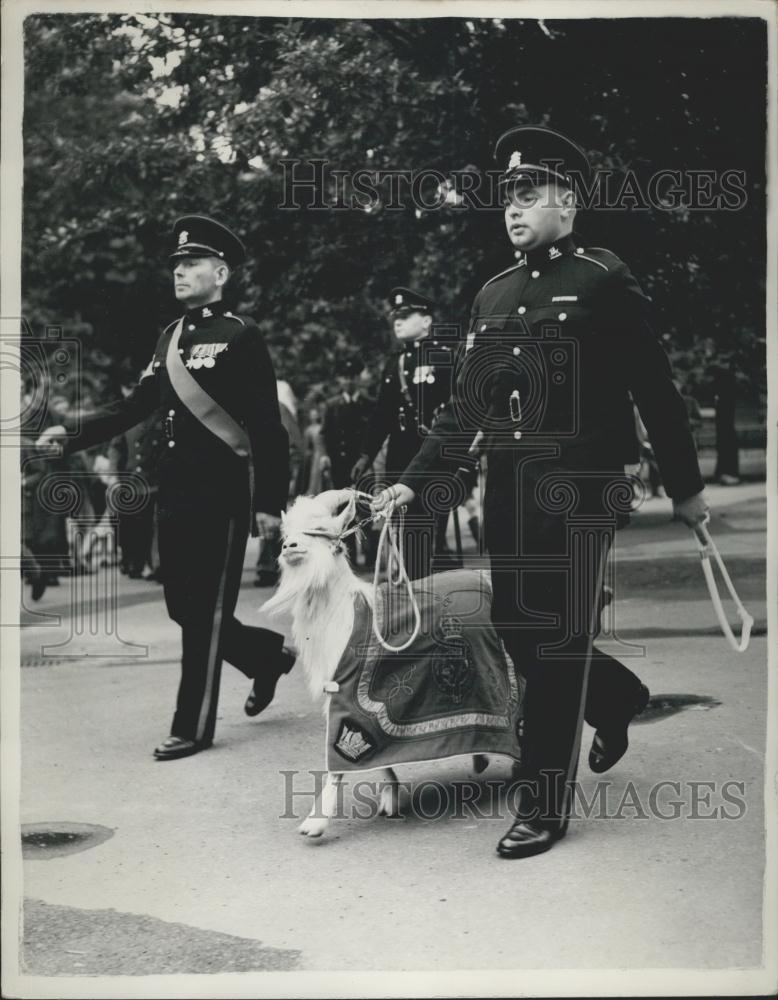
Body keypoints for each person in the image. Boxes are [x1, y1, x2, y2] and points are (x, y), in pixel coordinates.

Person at [373, 126, 708, 858]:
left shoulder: (602, 278)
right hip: (511, 488)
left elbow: (657, 389)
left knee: (556, 640)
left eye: (529, 195)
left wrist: (686, 489)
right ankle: (616, 699)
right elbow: (466, 406)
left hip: (584, 488)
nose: (514, 209)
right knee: (523, 632)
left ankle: (544, 803)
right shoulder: (493, 291)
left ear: (569, 201)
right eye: (508, 197)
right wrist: (410, 483)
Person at [37, 215, 294, 760]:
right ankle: (267, 656)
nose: (179, 272)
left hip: (224, 495)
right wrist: (71, 433)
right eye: (177, 264)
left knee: (206, 614)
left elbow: (268, 427)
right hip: (174, 493)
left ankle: (192, 725)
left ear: (220, 272)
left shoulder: (241, 335)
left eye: (192, 263)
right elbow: (135, 406)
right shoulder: (170, 337)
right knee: (184, 608)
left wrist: (271, 505)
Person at [351, 287, 455, 580]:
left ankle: (425, 592)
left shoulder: (445, 356)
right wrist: (366, 454)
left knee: (425, 532)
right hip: (401, 457)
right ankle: (414, 589)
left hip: (434, 459)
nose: (397, 321)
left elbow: (458, 411)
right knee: (407, 531)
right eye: (395, 316)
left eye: (406, 315)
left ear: (426, 321)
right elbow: (381, 416)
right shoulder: (394, 363)